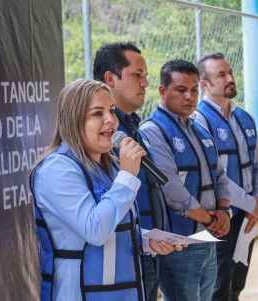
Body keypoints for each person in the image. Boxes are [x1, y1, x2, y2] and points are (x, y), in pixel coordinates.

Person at [30, 79, 182, 301]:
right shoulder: (57, 169)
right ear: (74, 120)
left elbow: (113, 224)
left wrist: (147, 240)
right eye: (97, 114)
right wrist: (128, 176)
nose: (111, 120)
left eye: (111, 110)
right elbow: (95, 230)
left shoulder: (111, 166)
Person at [140, 59, 231, 301]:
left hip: (208, 238)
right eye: (181, 90)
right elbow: (171, 189)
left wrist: (223, 210)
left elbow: (220, 175)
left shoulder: (199, 128)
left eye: (194, 90)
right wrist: (211, 219)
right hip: (179, 244)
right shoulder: (152, 131)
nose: (189, 96)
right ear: (162, 91)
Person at [93, 42, 167, 301]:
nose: (145, 83)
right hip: (120, 258)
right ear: (110, 79)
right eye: (137, 75)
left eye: (146, 76)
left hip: (147, 247)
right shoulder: (102, 140)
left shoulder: (133, 128)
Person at [195, 52, 258, 301]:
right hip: (221, 217)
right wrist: (252, 205)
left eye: (231, 73)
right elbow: (217, 177)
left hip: (247, 216)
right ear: (204, 84)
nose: (230, 78)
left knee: (237, 282)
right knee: (219, 286)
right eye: (221, 75)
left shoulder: (244, 117)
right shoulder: (199, 122)